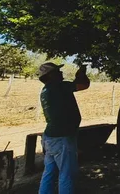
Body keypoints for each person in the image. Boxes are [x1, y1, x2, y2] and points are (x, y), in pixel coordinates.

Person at [37, 62, 90, 194]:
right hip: (62, 138)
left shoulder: (46, 90)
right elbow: (83, 85)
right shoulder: (58, 86)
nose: (61, 73)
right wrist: (82, 73)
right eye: (57, 71)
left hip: (50, 137)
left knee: (49, 173)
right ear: (51, 75)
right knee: (67, 174)